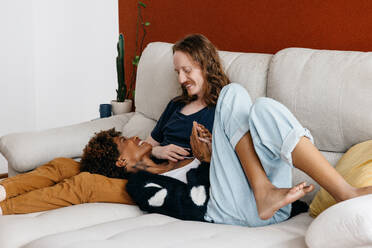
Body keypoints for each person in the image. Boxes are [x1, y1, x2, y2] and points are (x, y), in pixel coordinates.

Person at [0, 34, 229, 215]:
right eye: (177, 72)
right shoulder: (176, 105)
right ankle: (3, 190)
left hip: (164, 181)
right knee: (62, 165)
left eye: (187, 70)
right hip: (143, 164)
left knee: (85, 184)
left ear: (206, 64)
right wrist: (158, 150)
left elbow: (225, 164)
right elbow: (150, 143)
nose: (180, 79)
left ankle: (4, 210)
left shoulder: (222, 109)